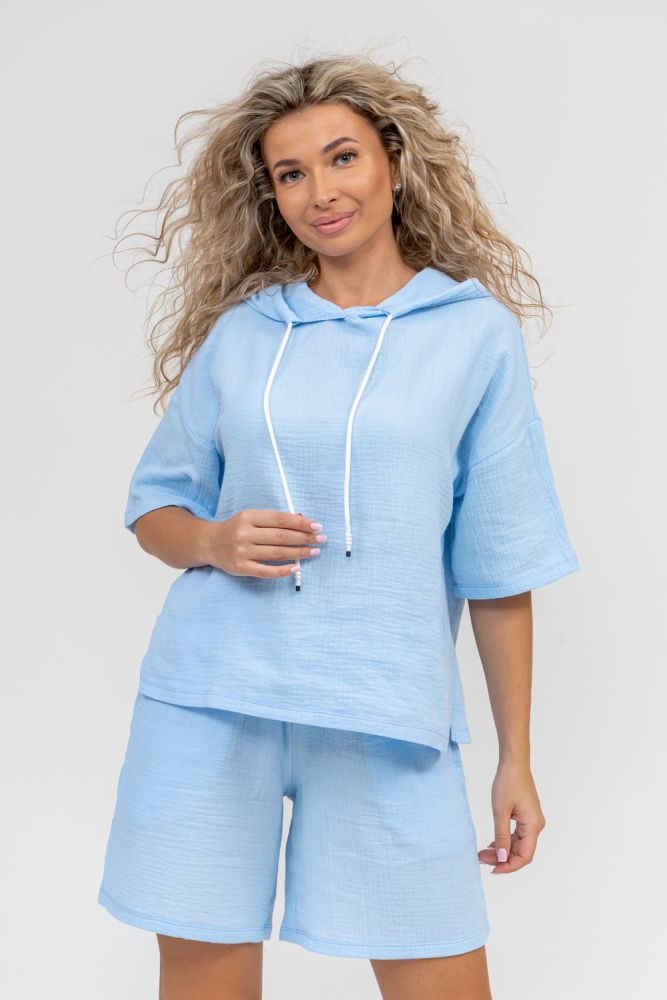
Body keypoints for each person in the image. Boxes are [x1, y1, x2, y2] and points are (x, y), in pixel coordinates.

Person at [97, 53, 580, 1000]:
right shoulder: (245, 334)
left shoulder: (471, 334)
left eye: (342, 157)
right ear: (271, 197)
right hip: (209, 699)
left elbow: (497, 563)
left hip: (382, 709)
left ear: (395, 163)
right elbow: (154, 508)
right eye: (290, 173)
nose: (319, 192)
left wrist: (515, 759)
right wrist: (214, 541)